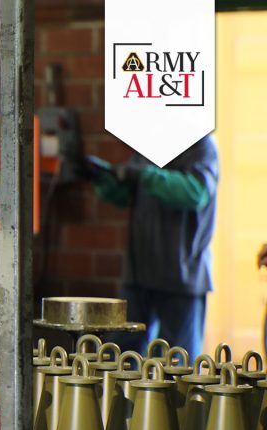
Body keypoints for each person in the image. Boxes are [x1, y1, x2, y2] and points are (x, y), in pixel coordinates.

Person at [92, 135, 219, 357]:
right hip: (139, 274)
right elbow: (125, 194)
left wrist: (144, 175)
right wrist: (100, 177)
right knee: (120, 360)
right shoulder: (151, 143)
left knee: (177, 367)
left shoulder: (201, 145)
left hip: (182, 277)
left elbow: (195, 192)